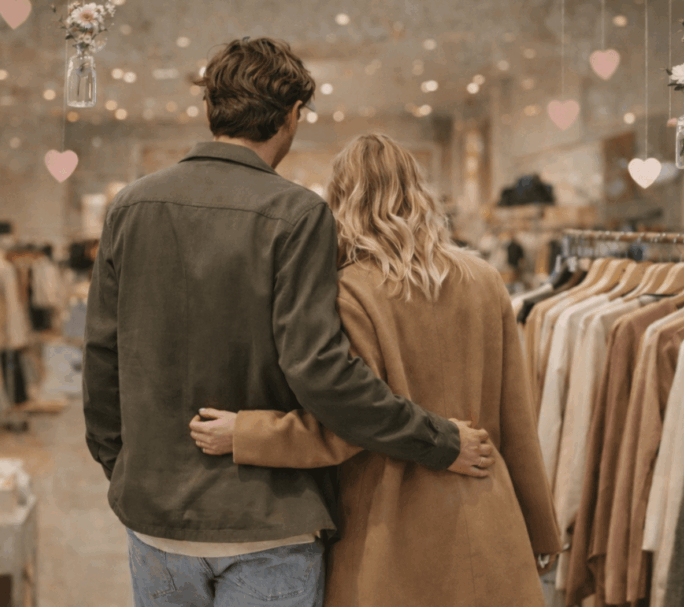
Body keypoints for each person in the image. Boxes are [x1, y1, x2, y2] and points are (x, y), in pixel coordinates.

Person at [82, 38, 494, 607]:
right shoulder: (298, 215)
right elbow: (322, 373)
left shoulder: (129, 207)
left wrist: (128, 468)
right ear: (292, 115)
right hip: (270, 518)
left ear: (211, 109)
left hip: (156, 517)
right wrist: (437, 439)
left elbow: (102, 359)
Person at [190, 134, 563, 606]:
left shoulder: (347, 291)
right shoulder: (485, 281)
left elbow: (347, 423)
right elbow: (517, 421)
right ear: (420, 194)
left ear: (341, 201)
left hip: (391, 534)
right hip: (488, 519)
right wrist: (540, 529)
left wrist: (246, 433)